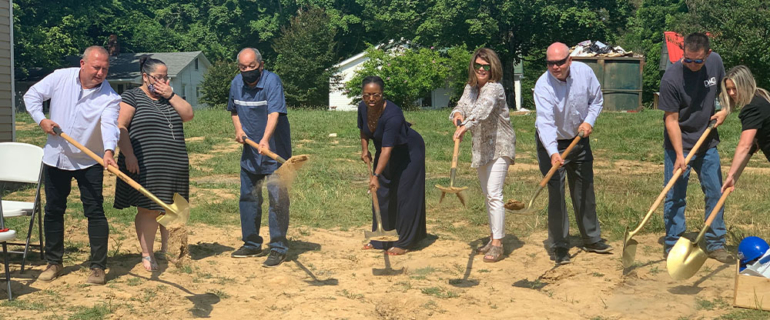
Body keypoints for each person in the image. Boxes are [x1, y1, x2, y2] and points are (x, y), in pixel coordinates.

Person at [23, 46, 121, 285]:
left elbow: (109, 126)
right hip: (56, 157)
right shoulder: (60, 77)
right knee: (54, 211)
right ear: (83, 63)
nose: (100, 73)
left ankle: (98, 267)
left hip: (90, 160)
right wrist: (42, 120)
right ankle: (54, 262)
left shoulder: (110, 98)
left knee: (95, 211)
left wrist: (108, 151)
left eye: (105, 69)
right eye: (96, 67)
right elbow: (31, 96)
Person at [113, 56, 194, 272]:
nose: (162, 82)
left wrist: (171, 95)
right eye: (158, 78)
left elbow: (188, 115)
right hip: (146, 164)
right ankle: (147, 254)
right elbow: (121, 127)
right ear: (145, 76)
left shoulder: (170, 97)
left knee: (174, 208)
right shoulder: (132, 96)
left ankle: (169, 249)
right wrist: (129, 155)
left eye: (165, 78)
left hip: (175, 163)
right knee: (149, 209)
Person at [534, 42, 611, 265]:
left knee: (584, 188)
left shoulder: (585, 73)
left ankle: (591, 238)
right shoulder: (543, 85)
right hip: (552, 142)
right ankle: (559, 245)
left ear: (570, 60)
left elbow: (596, 100)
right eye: (550, 63)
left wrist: (589, 121)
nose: (555, 67)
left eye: (559, 62)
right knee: (556, 193)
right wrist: (552, 152)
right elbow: (545, 123)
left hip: (579, 138)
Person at [658, 33, 732, 263]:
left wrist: (725, 110)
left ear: (707, 55)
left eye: (697, 61)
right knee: (675, 195)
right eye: (687, 59)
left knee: (715, 191)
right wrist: (680, 155)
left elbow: (725, 90)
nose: (691, 64)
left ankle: (716, 242)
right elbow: (671, 120)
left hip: (707, 141)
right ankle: (674, 244)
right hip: (678, 143)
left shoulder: (715, 62)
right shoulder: (671, 78)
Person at [228, 48, 292, 267]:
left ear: (261, 65)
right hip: (250, 152)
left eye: (251, 67)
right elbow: (234, 110)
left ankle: (278, 248)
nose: (247, 71)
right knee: (248, 197)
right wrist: (239, 130)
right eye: (243, 67)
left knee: (277, 200)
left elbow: (274, 113)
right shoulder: (236, 83)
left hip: (275, 151)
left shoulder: (272, 82)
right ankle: (252, 244)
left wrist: (265, 140)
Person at [450, 48, 516, 263]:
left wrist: (465, 126)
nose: (481, 69)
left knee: (494, 193)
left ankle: (498, 244)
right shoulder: (470, 88)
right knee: (488, 195)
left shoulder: (494, 89)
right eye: (478, 65)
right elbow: (461, 106)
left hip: (500, 146)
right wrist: (458, 115)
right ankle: (493, 236)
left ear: (492, 68)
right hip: (481, 148)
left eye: (486, 66)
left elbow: (483, 110)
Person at [359, 76, 427, 255]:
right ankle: (381, 239)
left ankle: (405, 241)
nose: (371, 99)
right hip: (386, 151)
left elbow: (386, 150)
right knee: (382, 192)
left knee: (405, 194)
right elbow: (364, 130)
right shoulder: (362, 107)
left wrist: (376, 175)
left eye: (376, 95)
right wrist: (365, 150)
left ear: (382, 94)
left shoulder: (393, 115)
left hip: (409, 152)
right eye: (367, 95)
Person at [720, 66, 770, 192]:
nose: (731, 93)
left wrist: (730, 174)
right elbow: (753, 145)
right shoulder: (761, 97)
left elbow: (745, 145)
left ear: (745, 85)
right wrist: (734, 177)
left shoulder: (753, 107)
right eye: (728, 89)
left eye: (735, 88)